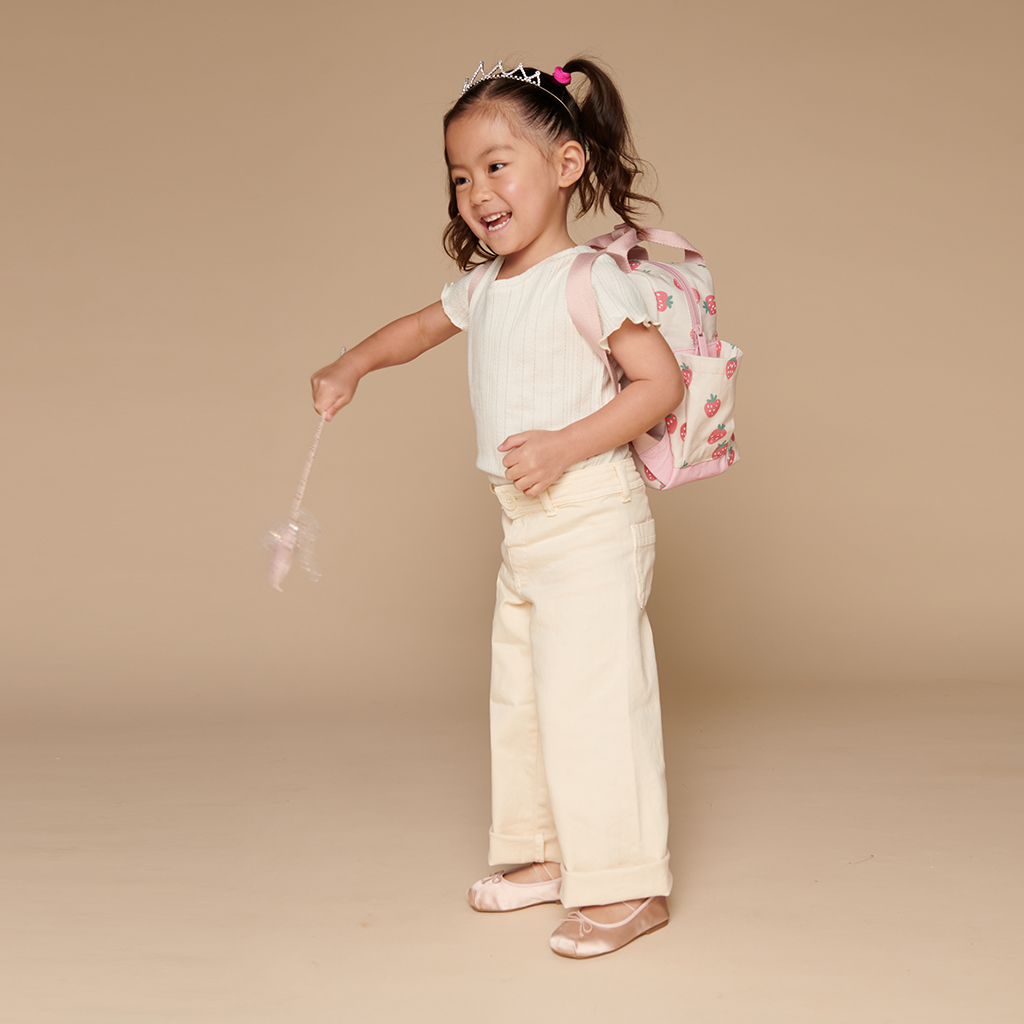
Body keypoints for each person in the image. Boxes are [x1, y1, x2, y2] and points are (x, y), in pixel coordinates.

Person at [311, 57, 683, 958]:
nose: (477, 189)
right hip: (524, 525)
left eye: (496, 164)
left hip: (589, 512)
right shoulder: (486, 287)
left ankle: (629, 883)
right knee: (522, 693)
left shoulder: (590, 281)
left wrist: (563, 445)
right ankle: (545, 854)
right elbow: (415, 330)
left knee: (594, 700)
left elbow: (656, 383)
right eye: (460, 174)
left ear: (563, 167)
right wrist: (350, 365)